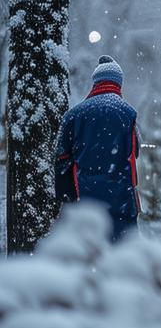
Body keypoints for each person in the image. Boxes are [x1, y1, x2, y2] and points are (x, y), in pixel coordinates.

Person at [54, 55, 140, 242]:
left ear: (95, 83)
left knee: (89, 247)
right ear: (118, 84)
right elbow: (134, 152)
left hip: (85, 196)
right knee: (123, 247)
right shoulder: (128, 112)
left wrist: (65, 195)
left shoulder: (74, 114)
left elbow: (61, 157)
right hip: (121, 196)